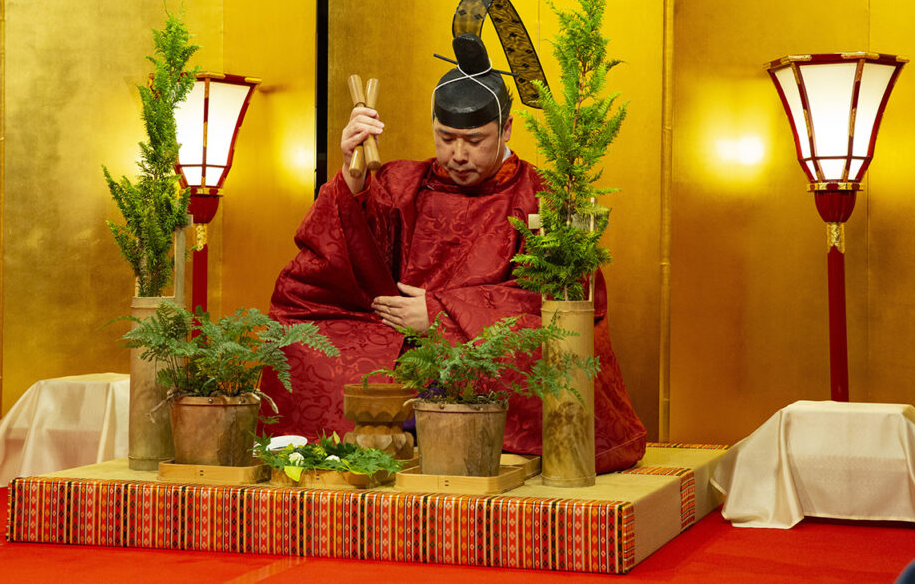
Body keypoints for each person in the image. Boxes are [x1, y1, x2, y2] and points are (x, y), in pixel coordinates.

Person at [263, 33, 646, 473]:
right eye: (446, 138)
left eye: (475, 140)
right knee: (296, 330)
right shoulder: (401, 182)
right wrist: (351, 176)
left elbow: (569, 299)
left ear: (505, 130)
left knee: (548, 345)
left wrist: (441, 314)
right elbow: (338, 259)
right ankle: (378, 441)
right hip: (396, 331)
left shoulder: (543, 196)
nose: (458, 155)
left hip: (481, 336)